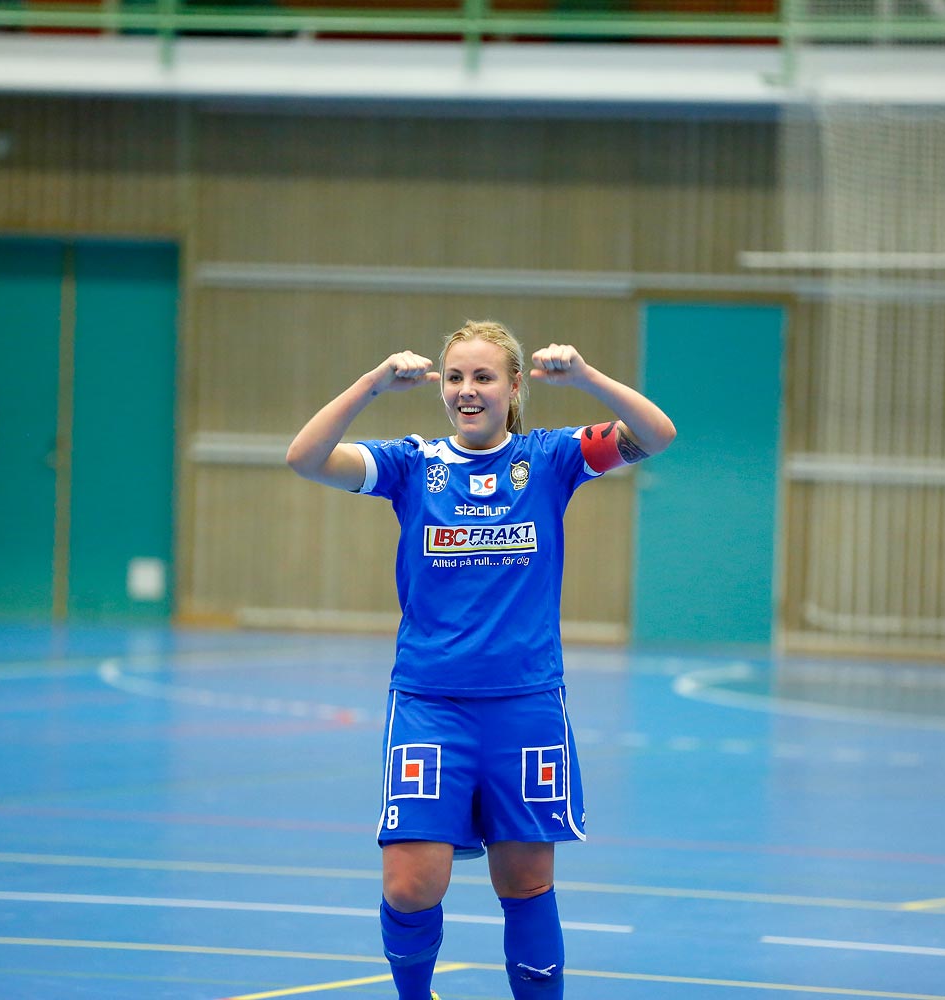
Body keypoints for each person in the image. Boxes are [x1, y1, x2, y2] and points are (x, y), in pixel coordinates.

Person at [286, 320, 675, 1000]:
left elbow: (657, 433)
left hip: (524, 706)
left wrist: (585, 376)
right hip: (430, 704)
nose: (469, 391)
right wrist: (372, 384)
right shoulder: (412, 465)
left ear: (515, 386)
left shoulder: (551, 459)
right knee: (411, 885)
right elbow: (306, 457)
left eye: (485, 377)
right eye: (456, 377)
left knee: (524, 884)